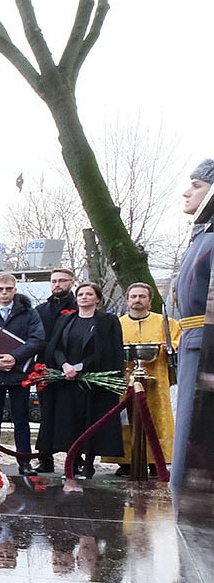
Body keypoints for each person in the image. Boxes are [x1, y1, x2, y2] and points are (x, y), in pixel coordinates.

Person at [42, 281, 123, 479]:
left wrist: (80, 367)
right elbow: (56, 346)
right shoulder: (67, 320)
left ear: (97, 299)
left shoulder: (107, 321)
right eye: (80, 294)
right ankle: (73, 463)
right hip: (68, 381)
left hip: (92, 382)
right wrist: (64, 365)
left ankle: (89, 464)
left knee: (91, 423)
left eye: (89, 294)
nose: (84, 297)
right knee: (70, 424)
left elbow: (107, 350)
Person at [0, 274, 45, 476]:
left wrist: (14, 357)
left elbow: (37, 339)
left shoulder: (28, 313)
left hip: (18, 374)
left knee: (21, 419)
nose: (5, 292)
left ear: (15, 290)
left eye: (9, 288)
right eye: (0, 289)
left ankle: (24, 462)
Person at [170, 159, 214, 493]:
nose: (187, 192)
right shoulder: (201, 239)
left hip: (205, 344)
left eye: (197, 185)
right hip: (193, 341)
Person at [105, 282, 180, 475]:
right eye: (134, 296)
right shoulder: (117, 323)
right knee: (126, 418)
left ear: (149, 300)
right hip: (126, 380)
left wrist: (169, 348)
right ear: (128, 299)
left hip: (157, 379)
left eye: (142, 296)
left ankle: (158, 461)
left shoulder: (166, 323)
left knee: (157, 419)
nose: (137, 300)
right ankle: (127, 461)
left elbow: (178, 341)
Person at [32, 268, 78, 473]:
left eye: (62, 280)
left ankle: (75, 459)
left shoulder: (80, 306)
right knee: (47, 414)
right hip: (46, 369)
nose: (57, 284)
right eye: (54, 281)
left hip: (73, 370)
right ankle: (45, 457)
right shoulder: (41, 310)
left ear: (72, 282)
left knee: (72, 416)